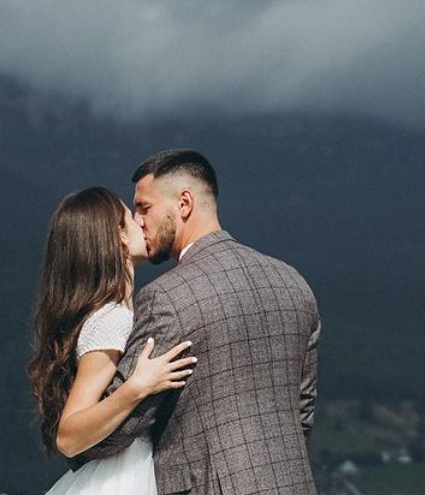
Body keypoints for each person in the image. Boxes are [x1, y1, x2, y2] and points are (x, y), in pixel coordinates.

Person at [73, 149, 321, 495]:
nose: (138, 221)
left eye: (144, 207)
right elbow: (303, 411)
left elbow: (119, 429)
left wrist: (76, 445)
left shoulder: (167, 298)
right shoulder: (294, 284)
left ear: (184, 203)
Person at [27, 186, 197, 495]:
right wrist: (138, 387)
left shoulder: (111, 310)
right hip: (121, 477)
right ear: (119, 236)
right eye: (131, 217)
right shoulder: (112, 318)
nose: (141, 222)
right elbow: (68, 435)